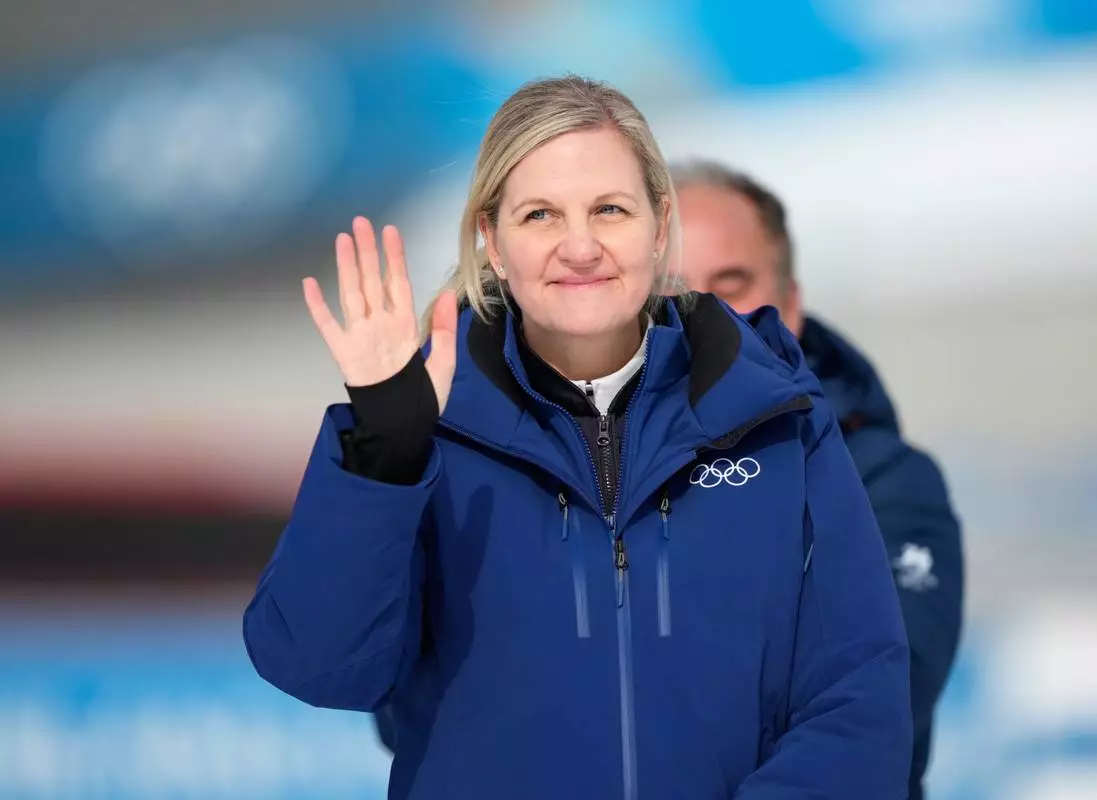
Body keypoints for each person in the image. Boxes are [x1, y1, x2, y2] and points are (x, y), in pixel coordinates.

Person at [243, 76, 911, 800]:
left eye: (609, 210)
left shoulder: (778, 418)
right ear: (492, 244)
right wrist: (383, 454)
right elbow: (319, 666)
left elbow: (858, 698)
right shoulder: (423, 432)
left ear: (659, 230)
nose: (581, 246)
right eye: (540, 215)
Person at [671, 159, 964, 800]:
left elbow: (879, 704)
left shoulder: (881, 478)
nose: (703, 316)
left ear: (792, 306)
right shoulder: (584, 478)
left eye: (732, 284)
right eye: (671, 289)